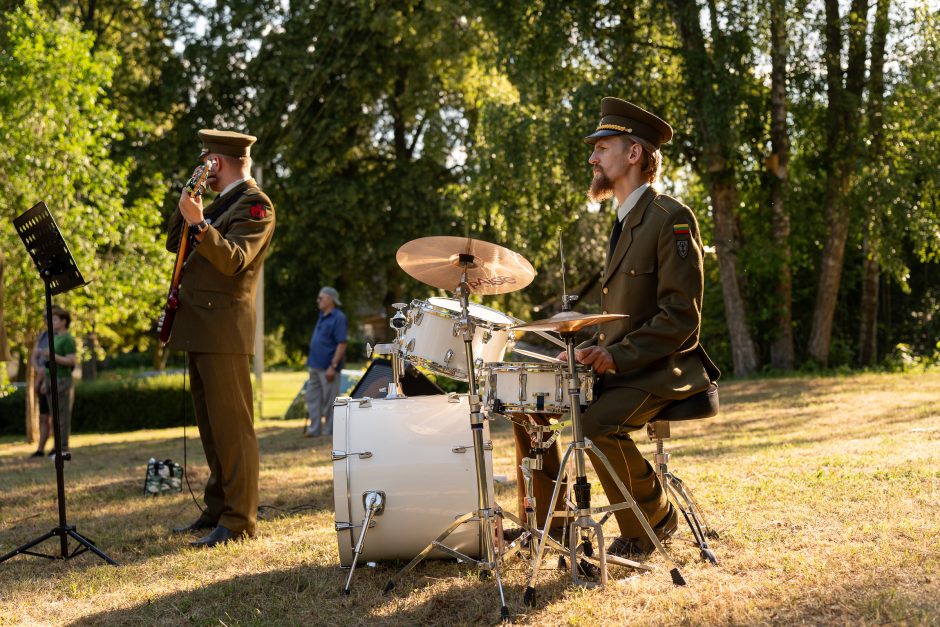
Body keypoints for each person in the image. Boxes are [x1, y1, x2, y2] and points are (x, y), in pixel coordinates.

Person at [556, 97, 720, 560]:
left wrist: (618, 357)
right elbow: (624, 318)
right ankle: (550, 526)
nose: (592, 157)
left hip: (665, 367)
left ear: (633, 154)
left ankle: (652, 520)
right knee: (543, 408)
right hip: (629, 365)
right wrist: (585, 348)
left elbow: (680, 318)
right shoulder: (626, 221)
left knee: (594, 423)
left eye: (602, 147)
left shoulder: (671, 218)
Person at [165, 129, 276, 548]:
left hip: (225, 329)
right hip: (201, 327)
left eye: (206, 159)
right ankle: (216, 508)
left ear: (222, 160)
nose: (202, 166)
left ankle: (239, 520)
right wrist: (188, 208)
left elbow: (233, 260)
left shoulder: (255, 205)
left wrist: (200, 222)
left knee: (233, 430)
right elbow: (176, 243)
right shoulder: (219, 203)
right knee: (211, 428)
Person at [304, 286, 347, 437]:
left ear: (330, 299)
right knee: (312, 398)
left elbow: (341, 344)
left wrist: (333, 366)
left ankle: (330, 432)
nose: (318, 301)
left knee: (330, 402)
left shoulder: (338, 317)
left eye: (321, 298)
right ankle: (314, 430)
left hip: (328, 368)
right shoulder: (322, 315)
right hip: (314, 365)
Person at [36, 306, 77, 458]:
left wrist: (53, 356)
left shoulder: (67, 338)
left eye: (54, 319)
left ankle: (63, 449)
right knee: (55, 417)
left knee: (62, 417)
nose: (50, 322)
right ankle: (57, 448)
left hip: (62, 381)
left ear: (64, 321)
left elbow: (72, 361)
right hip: (50, 380)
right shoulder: (55, 337)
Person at [28, 326, 52, 458]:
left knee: (55, 418)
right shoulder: (43, 335)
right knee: (44, 417)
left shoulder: (59, 336)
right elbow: (34, 356)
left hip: (52, 379)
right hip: (42, 377)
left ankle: (56, 448)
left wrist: (43, 376)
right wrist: (39, 371)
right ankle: (40, 449)